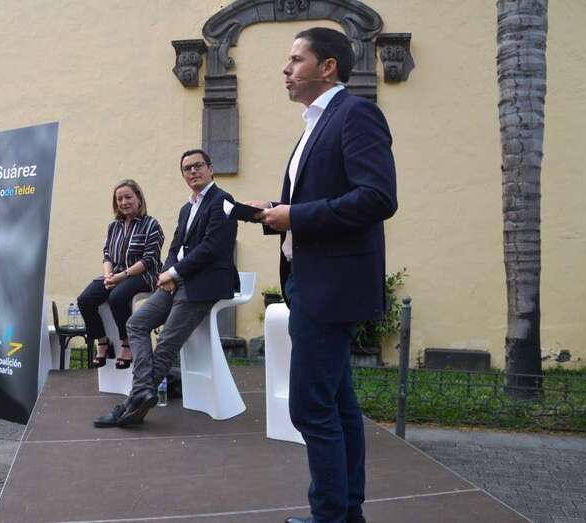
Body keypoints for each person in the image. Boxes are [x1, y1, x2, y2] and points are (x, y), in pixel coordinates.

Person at [247, 27, 397, 523]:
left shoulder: (355, 114)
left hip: (330, 288)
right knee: (337, 403)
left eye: (295, 59)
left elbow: (378, 197)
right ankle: (346, 513)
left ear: (327, 66)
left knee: (310, 407)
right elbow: (320, 201)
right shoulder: (316, 123)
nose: (286, 70)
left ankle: (330, 516)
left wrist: (298, 216)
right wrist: (275, 211)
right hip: (309, 280)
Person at [94, 149, 239, 428]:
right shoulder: (187, 208)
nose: (193, 172)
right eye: (187, 169)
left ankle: (131, 404)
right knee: (136, 323)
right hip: (178, 281)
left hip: (205, 283)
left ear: (211, 169)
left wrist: (175, 271)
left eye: (198, 166)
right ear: (183, 175)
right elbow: (175, 248)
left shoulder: (223, 201)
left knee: (166, 343)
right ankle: (143, 395)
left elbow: (211, 248)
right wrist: (168, 274)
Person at [77, 179, 164, 369]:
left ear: (139, 198)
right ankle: (102, 341)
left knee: (117, 296)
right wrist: (108, 276)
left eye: (128, 197)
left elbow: (148, 260)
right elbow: (107, 255)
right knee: (85, 299)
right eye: (119, 199)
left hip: (144, 276)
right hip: (116, 275)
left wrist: (121, 277)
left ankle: (126, 344)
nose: (123, 202)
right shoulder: (114, 226)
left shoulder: (152, 225)